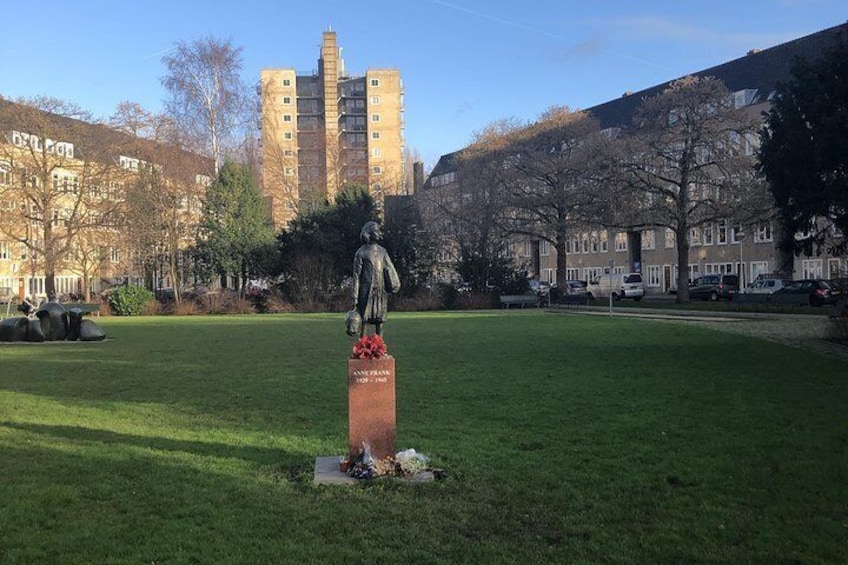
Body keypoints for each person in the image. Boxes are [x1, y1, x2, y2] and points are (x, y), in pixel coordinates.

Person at [352, 221, 400, 337]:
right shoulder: (361, 252)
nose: (379, 233)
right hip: (366, 292)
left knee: (380, 320)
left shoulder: (383, 252)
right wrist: (355, 296)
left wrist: (393, 283)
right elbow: (356, 276)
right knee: (365, 320)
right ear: (369, 233)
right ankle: (362, 348)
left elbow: (389, 268)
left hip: (380, 291)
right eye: (376, 231)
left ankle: (380, 347)